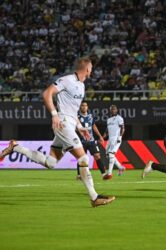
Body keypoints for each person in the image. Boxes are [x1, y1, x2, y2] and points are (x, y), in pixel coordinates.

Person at [0, 57, 115, 207]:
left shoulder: (81, 86)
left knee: (51, 162)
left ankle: (15, 147)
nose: (92, 71)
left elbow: (73, 111)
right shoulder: (67, 80)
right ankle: (94, 198)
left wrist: (80, 128)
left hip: (71, 124)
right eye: (91, 68)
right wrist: (54, 115)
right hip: (63, 123)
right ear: (87, 69)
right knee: (83, 159)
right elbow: (47, 94)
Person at [76, 101, 107, 180]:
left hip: (91, 140)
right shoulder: (77, 117)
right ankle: (79, 175)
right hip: (81, 141)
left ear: (87, 107)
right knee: (82, 158)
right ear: (80, 107)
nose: (84, 107)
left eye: (85, 105)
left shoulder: (90, 116)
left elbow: (94, 126)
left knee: (97, 155)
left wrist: (100, 136)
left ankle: (104, 174)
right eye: (82, 105)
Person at [103, 104, 126, 180]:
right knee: (107, 155)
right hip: (110, 139)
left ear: (117, 110)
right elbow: (107, 129)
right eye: (112, 109)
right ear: (110, 110)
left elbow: (122, 128)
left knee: (111, 154)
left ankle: (109, 173)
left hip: (116, 139)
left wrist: (119, 137)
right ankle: (120, 167)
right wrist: (104, 135)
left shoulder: (119, 118)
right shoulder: (108, 120)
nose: (113, 110)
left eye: (114, 109)